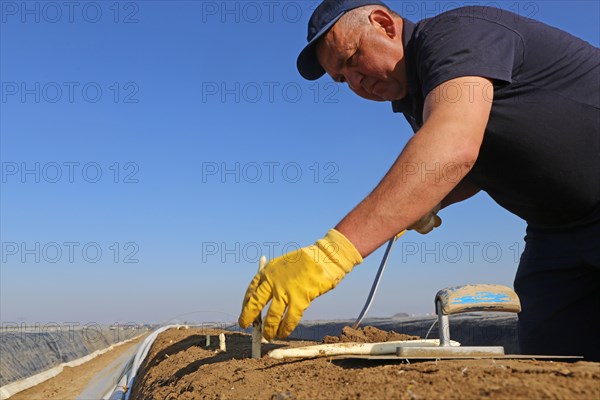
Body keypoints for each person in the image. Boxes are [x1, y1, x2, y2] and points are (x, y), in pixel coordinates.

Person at [238, 0, 600, 360]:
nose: (355, 83)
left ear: (384, 23)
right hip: (555, 231)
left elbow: (454, 146)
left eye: (351, 59)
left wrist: (330, 255)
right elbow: (475, 163)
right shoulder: (417, 98)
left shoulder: (455, 35)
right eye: (341, 78)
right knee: (553, 351)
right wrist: (430, 201)